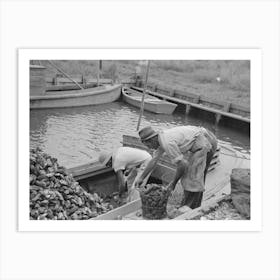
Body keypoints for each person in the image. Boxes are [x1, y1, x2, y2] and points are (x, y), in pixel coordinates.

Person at [134, 125, 218, 209]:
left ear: (152, 140)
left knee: (192, 177)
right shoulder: (160, 139)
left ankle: (189, 208)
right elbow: (154, 161)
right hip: (201, 137)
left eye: (149, 146)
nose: (150, 148)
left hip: (206, 140)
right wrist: (141, 178)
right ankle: (191, 206)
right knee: (196, 177)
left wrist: (173, 183)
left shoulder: (167, 143)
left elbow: (182, 165)